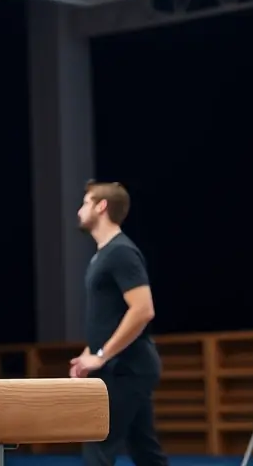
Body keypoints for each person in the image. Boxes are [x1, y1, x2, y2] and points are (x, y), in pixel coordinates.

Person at [71, 180, 170, 466]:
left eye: (86, 202)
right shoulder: (103, 255)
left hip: (127, 368)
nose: (80, 210)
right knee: (146, 452)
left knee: (97, 446)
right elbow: (110, 316)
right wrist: (92, 353)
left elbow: (142, 310)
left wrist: (101, 356)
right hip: (124, 367)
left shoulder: (121, 252)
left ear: (101, 207)